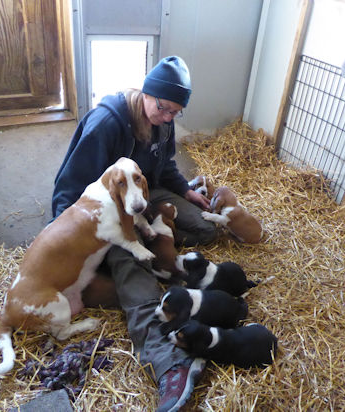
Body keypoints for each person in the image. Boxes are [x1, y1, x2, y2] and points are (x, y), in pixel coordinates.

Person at [51, 56, 217, 412]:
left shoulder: (163, 121)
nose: (169, 117)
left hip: (143, 195)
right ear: (147, 93)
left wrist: (185, 191)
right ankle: (167, 360)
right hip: (106, 209)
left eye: (176, 112)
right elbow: (68, 184)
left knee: (204, 227)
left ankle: (157, 260)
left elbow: (165, 163)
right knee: (131, 260)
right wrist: (61, 239)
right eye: (164, 108)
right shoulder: (107, 124)